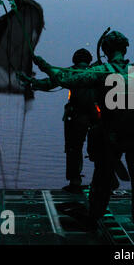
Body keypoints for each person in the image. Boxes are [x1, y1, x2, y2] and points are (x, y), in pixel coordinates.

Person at [33, 30, 134, 244]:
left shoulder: (100, 72)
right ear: (125, 49)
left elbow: (63, 79)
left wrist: (42, 64)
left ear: (105, 51)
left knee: (102, 180)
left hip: (111, 136)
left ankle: (93, 217)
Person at [18, 48, 96, 193]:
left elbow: (49, 83)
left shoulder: (72, 72)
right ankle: (102, 181)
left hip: (76, 117)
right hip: (95, 117)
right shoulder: (96, 72)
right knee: (98, 149)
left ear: (75, 60)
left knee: (74, 149)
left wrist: (30, 81)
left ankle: (75, 181)